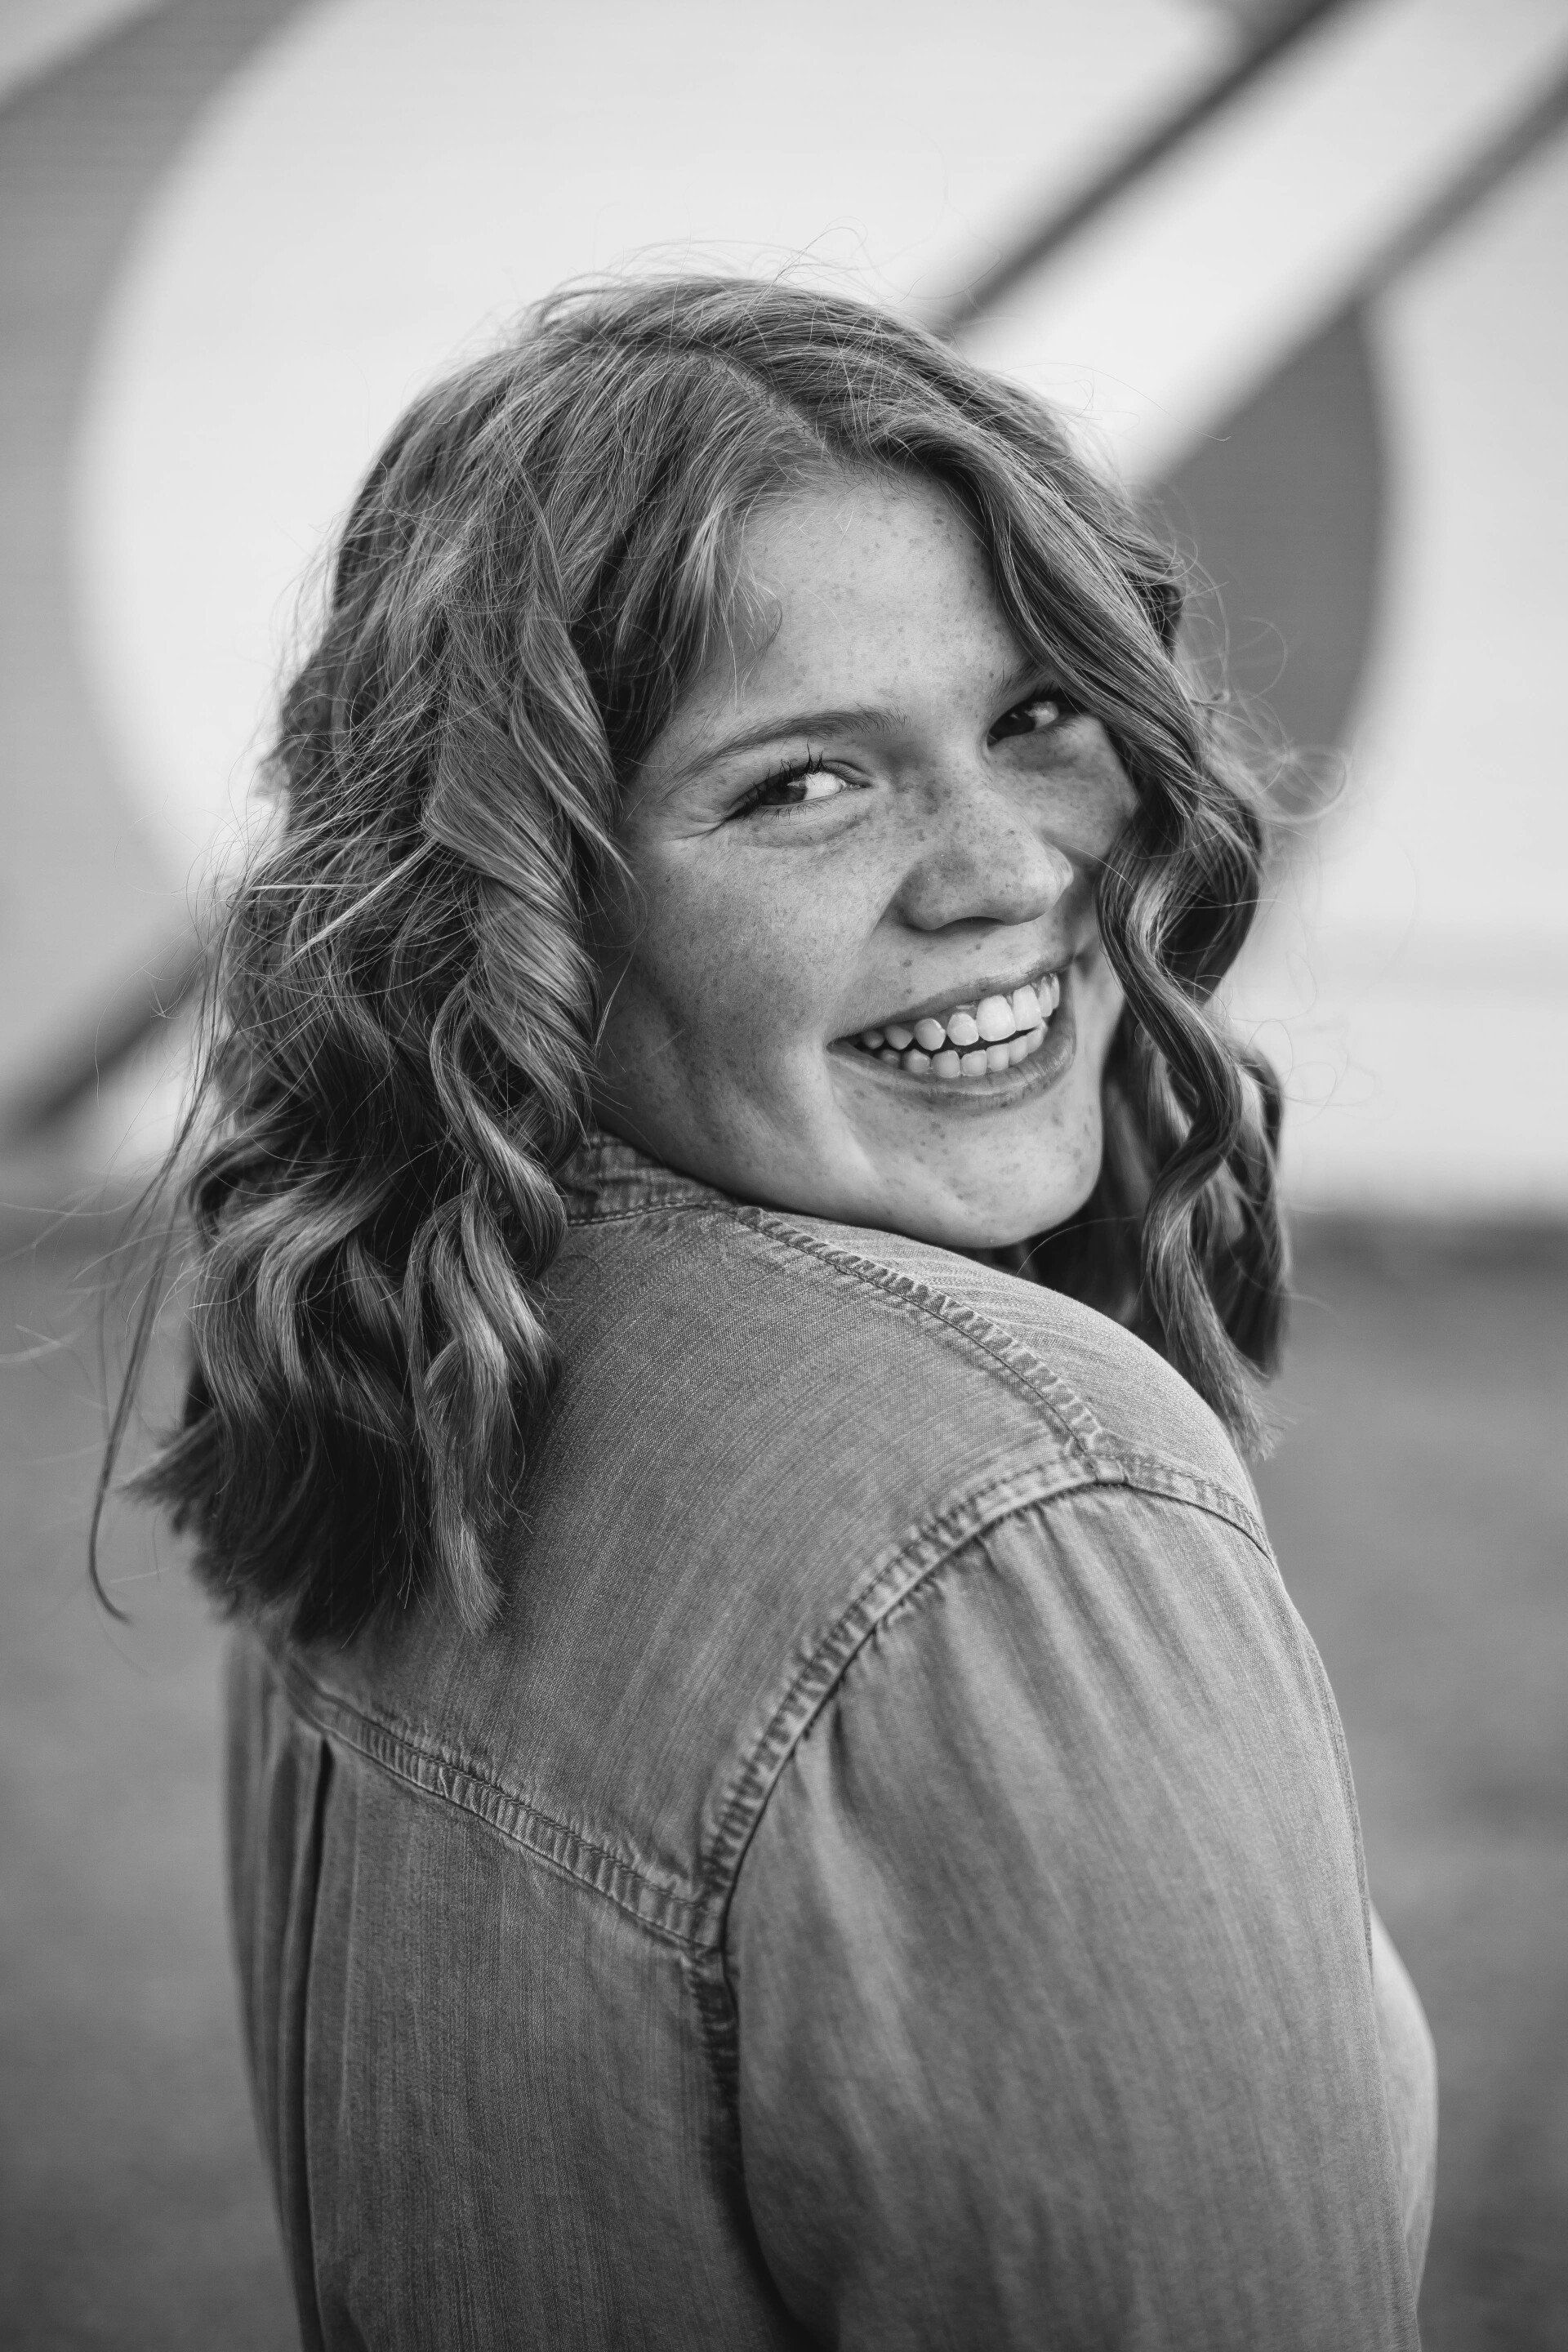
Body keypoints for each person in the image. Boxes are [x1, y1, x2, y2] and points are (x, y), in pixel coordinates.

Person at [108, 276, 1437, 2347]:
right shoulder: (1018, 1508)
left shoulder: (389, 1357)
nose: (1002, 868)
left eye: (1037, 721)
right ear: (523, 897)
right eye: (806, 785)